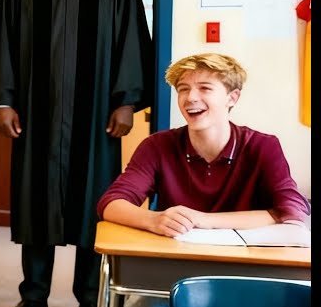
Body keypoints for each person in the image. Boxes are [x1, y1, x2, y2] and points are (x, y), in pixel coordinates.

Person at [0, 0, 152, 307]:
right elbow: (1, 42)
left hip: (96, 119)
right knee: (36, 201)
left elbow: (132, 42)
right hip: (36, 117)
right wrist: (4, 101)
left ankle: (90, 297)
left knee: (94, 203)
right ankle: (33, 296)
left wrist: (127, 101)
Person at [97, 53, 310, 234]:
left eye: (205, 88)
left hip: (244, 266)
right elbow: (111, 203)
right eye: (183, 89)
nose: (190, 98)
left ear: (232, 98)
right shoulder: (157, 146)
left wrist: (203, 220)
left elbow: (293, 210)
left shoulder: (263, 146)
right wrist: (155, 220)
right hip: (176, 261)